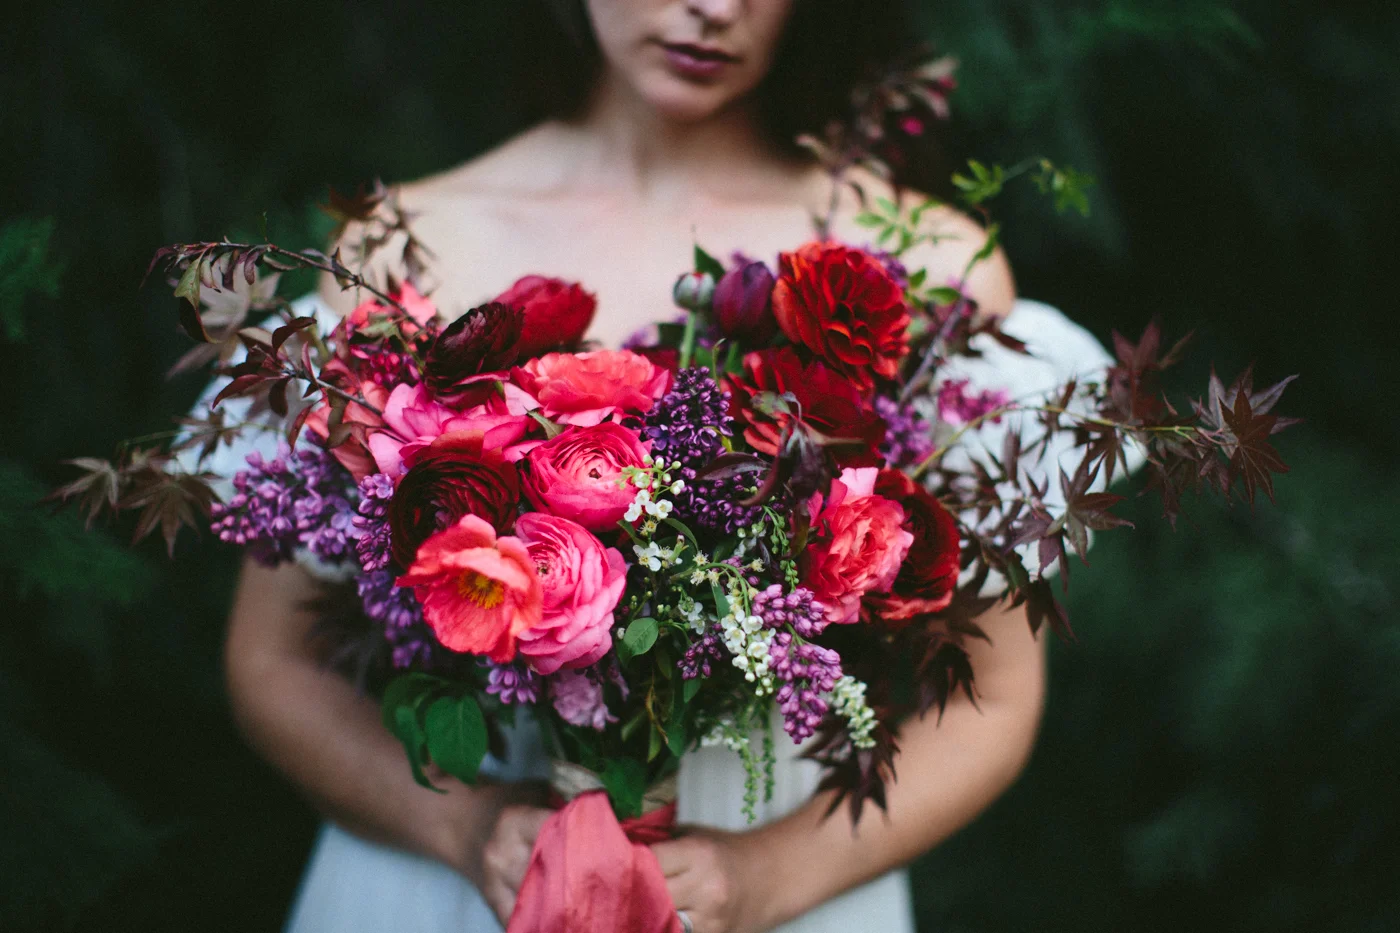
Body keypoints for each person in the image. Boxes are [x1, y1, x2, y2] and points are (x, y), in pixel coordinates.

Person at [224, 1, 1061, 931]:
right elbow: (275, 659)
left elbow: (994, 692)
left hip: (783, 889)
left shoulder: (927, 273)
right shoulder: (409, 244)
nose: (713, 8)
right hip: (456, 893)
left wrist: (768, 875)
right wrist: (467, 829)